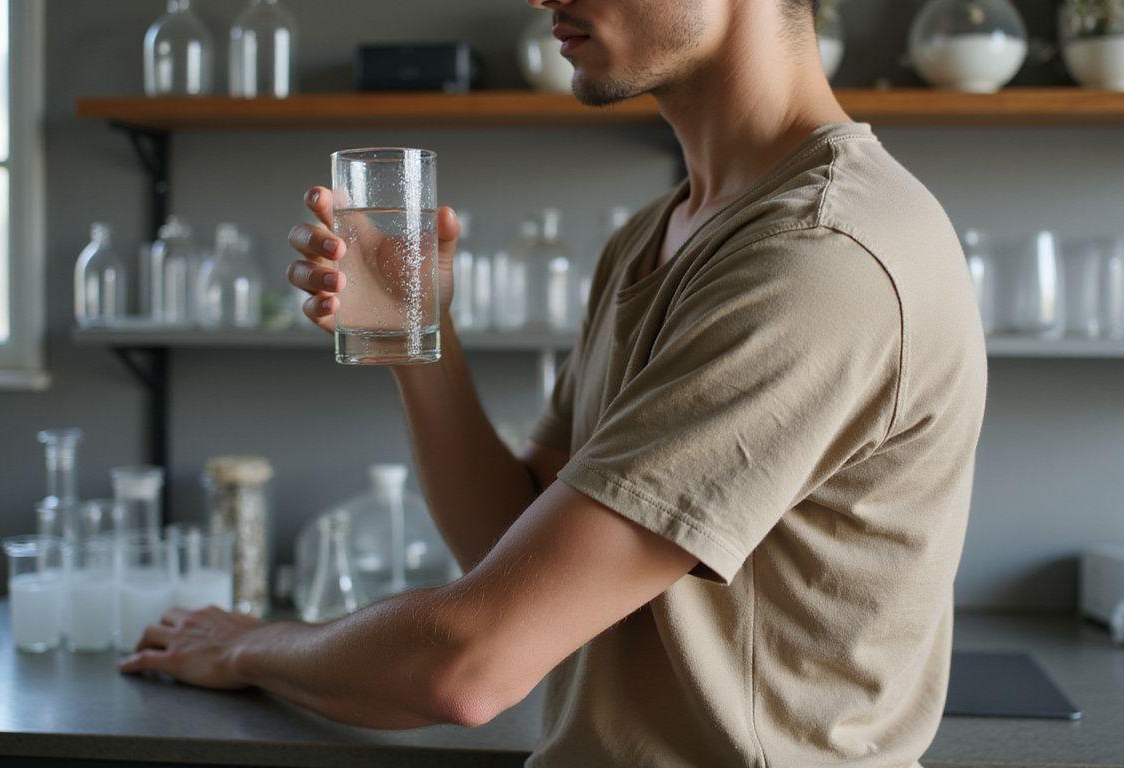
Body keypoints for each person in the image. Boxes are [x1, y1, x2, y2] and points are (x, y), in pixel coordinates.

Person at [119, 0, 987, 764]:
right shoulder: (660, 235)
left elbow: (470, 666)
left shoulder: (820, 257)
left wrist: (249, 647)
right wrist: (418, 333)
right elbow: (508, 547)